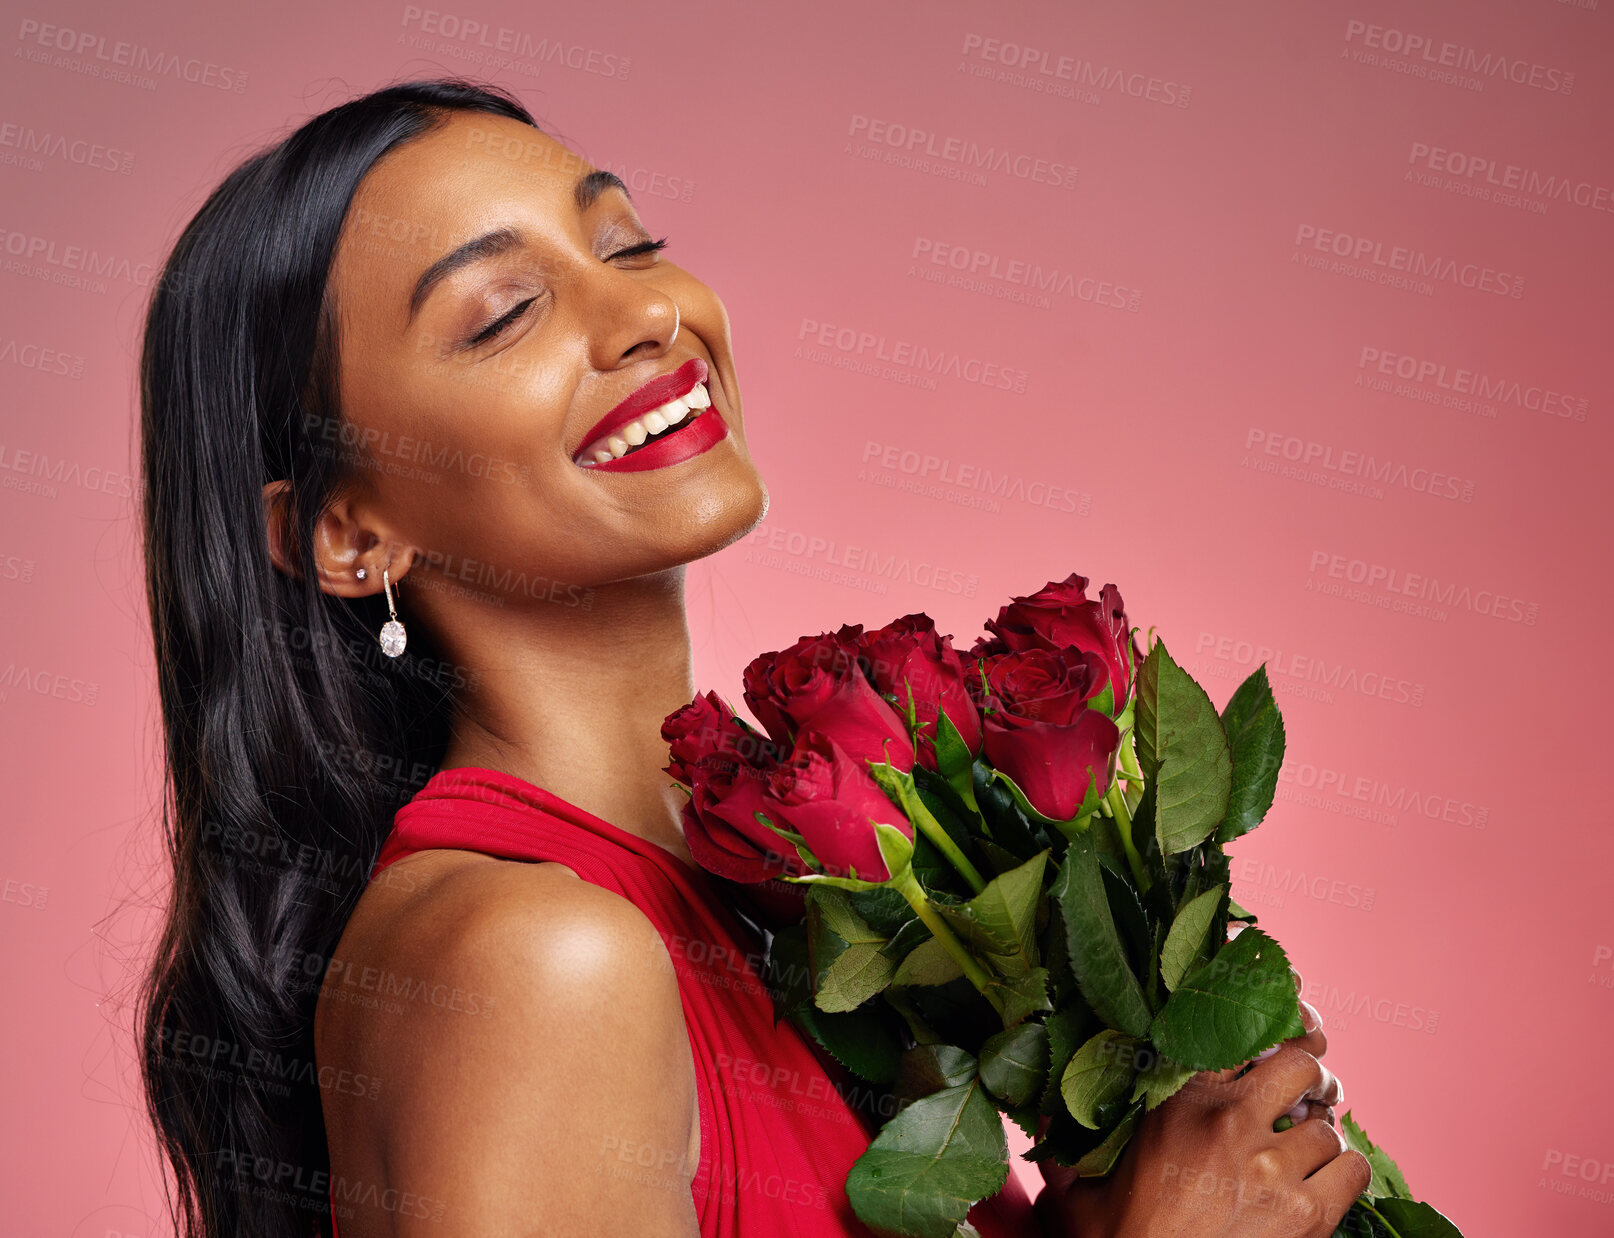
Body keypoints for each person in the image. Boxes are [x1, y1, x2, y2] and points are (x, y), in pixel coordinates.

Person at [135, 77, 1370, 1237]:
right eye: (505, 312)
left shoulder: (783, 899)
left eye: (626, 244)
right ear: (347, 533)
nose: (647, 312)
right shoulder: (536, 957)